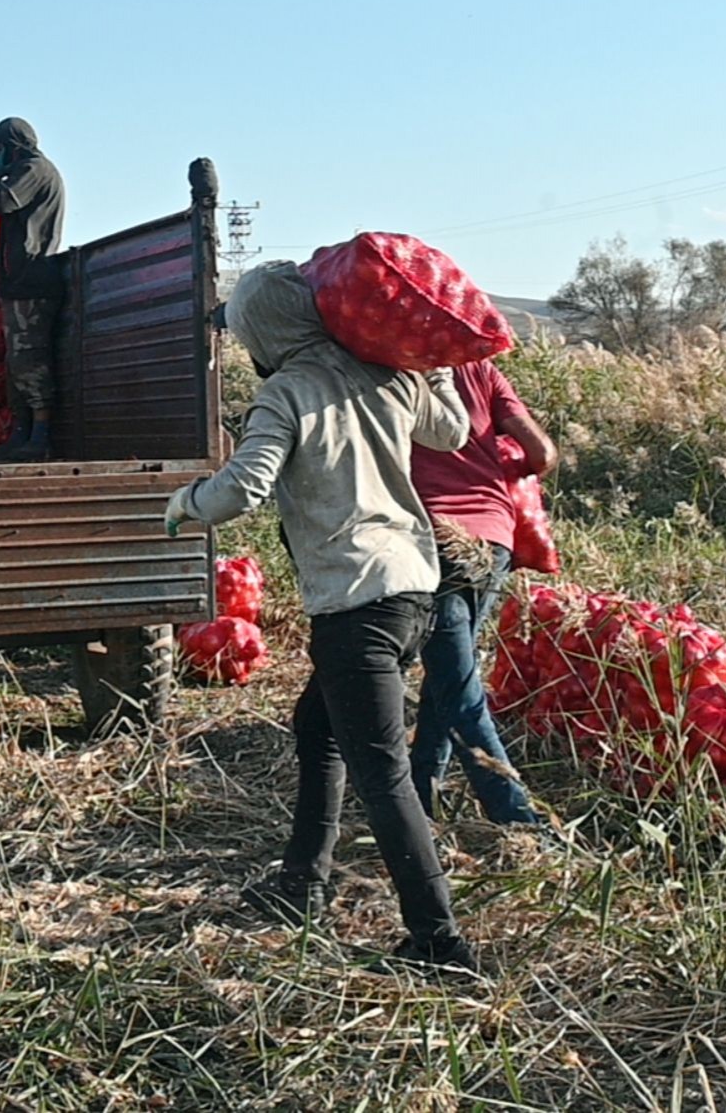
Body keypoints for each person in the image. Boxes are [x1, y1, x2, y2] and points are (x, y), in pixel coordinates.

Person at [164, 262, 481, 975]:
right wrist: (433, 361)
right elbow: (453, 433)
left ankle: (440, 942)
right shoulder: (386, 376)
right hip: (413, 593)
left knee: (382, 772)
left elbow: (243, 488)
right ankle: (301, 883)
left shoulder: (285, 392)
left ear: (264, 334)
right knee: (318, 728)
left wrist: (185, 504)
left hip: (357, 603)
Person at [409, 360, 558, 826]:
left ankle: (520, 820)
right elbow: (543, 455)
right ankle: (420, 789)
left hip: (436, 538)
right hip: (493, 538)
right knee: (448, 670)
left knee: (456, 683)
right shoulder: (483, 371)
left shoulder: (389, 362)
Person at [0, 117, 66, 462]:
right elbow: (19, 228)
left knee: (30, 358)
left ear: (12, 146)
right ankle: (20, 434)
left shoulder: (34, 169)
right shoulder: (29, 168)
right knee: (16, 362)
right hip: (19, 278)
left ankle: (39, 438)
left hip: (33, 280)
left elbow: (2, 202)